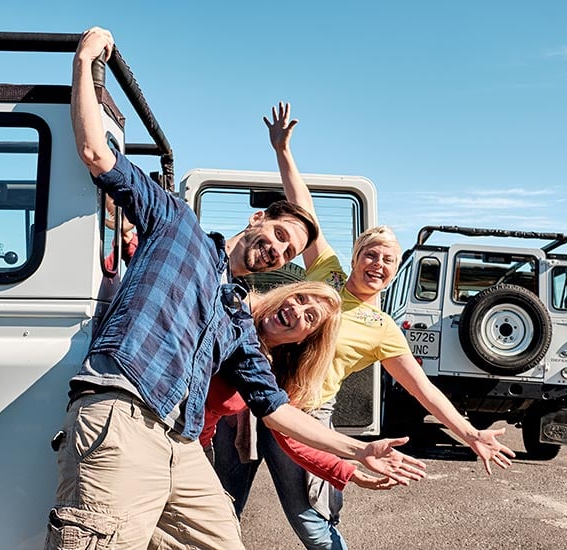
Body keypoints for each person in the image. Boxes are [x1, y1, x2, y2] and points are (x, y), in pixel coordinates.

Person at [45, 29, 427, 550]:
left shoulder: (236, 316)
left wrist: (353, 452)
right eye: (278, 236)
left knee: (226, 540)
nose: (278, 252)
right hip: (126, 409)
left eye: (290, 254)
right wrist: (86, 58)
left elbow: (275, 409)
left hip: (180, 443)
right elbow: (96, 152)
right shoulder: (176, 225)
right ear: (256, 221)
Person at [212, 101, 517, 549]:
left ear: (395, 271)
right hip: (247, 397)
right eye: (370, 254)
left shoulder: (383, 328)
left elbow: (423, 390)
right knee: (219, 503)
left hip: (305, 415)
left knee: (312, 521)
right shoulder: (327, 275)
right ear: (355, 256)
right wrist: (283, 151)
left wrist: (469, 433)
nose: (377, 263)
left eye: (387, 260)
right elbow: (303, 209)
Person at [201, 280, 398, 493]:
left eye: (310, 316)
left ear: (305, 339)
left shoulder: (275, 369)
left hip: (193, 446)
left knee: (221, 521)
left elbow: (290, 433)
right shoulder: (236, 309)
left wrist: (346, 469)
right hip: (165, 427)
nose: (297, 309)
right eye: (300, 298)